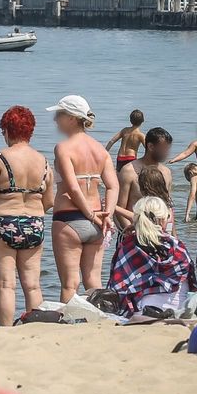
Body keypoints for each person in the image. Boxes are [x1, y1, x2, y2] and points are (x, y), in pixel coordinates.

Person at [0, 107, 55, 326]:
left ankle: (6, 332)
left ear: (7, 130)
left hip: (3, 223)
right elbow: (48, 201)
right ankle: (37, 328)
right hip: (34, 224)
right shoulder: (45, 162)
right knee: (33, 285)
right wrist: (30, 217)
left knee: (6, 286)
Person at [48, 95, 119, 302]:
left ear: (72, 118)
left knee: (70, 283)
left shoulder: (63, 148)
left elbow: (72, 188)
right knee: (93, 281)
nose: (55, 120)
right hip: (98, 221)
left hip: (69, 219)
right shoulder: (100, 150)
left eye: (59, 115)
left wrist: (89, 214)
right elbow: (113, 186)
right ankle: (94, 322)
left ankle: (70, 327)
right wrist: (107, 216)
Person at [108, 197, 196, 316]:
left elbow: (119, 283)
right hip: (180, 306)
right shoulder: (176, 246)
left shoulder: (128, 246)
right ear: (162, 220)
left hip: (142, 309)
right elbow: (189, 276)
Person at [115, 127, 173, 225]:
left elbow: (168, 208)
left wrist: (173, 236)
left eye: (167, 149)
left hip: (160, 233)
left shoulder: (166, 172)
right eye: (163, 149)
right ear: (150, 146)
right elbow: (119, 210)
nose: (166, 153)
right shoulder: (129, 171)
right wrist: (131, 234)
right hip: (134, 230)